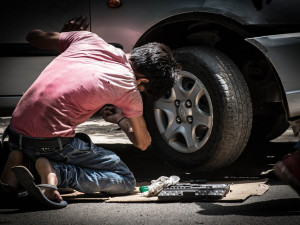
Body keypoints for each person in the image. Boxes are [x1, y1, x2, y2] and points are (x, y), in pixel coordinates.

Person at [0, 16, 180, 204]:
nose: (140, 90)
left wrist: (65, 36)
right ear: (143, 81)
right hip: (51, 143)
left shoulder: (87, 39)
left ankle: (21, 161)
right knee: (125, 180)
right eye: (143, 89)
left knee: (78, 142)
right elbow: (142, 142)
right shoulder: (129, 87)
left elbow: (34, 37)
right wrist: (121, 120)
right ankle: (55, 172)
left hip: (15, 133)